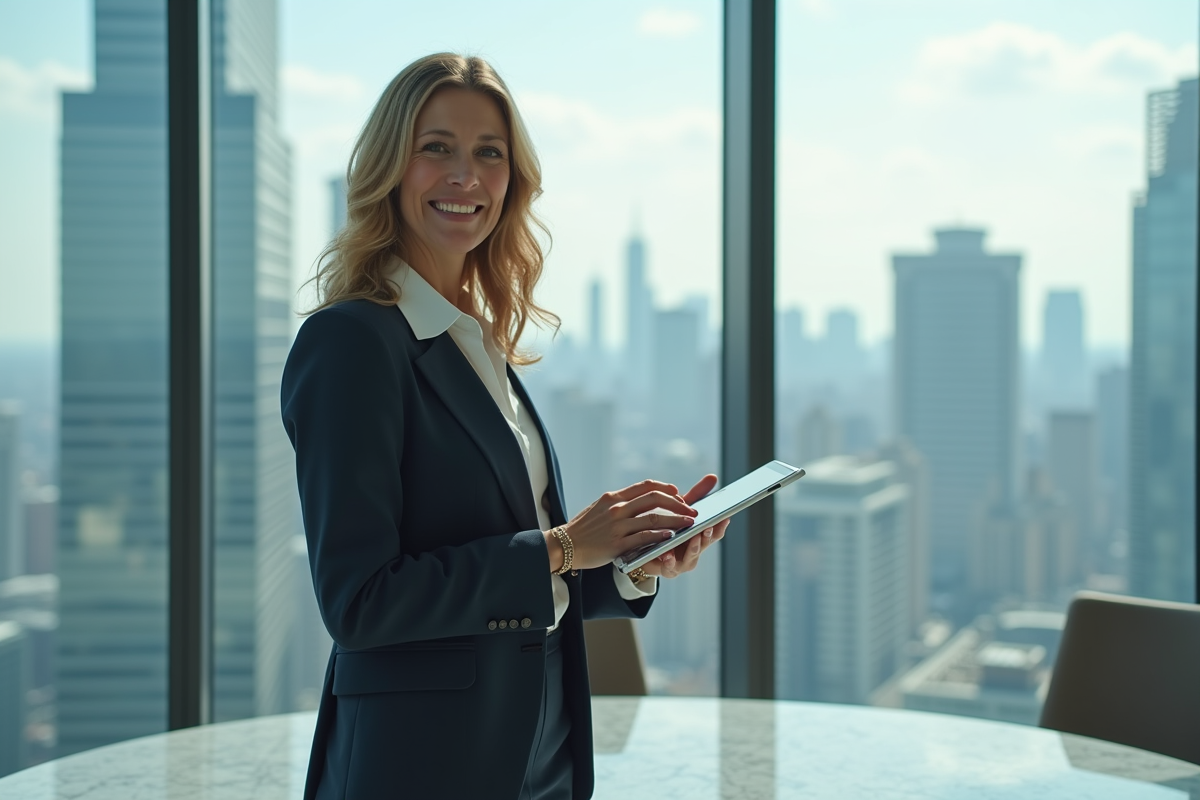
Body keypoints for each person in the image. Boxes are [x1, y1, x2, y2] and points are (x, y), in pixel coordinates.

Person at [281, 52, 727, 800]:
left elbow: (517, 585)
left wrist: (630, 562)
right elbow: (360, 603)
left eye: (489, 153)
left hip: (539, 754)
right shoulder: (355, 342)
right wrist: (561, 546)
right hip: (422, 769)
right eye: (437, 149)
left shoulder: (475, 343)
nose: (467, 176)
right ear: (391, 169)